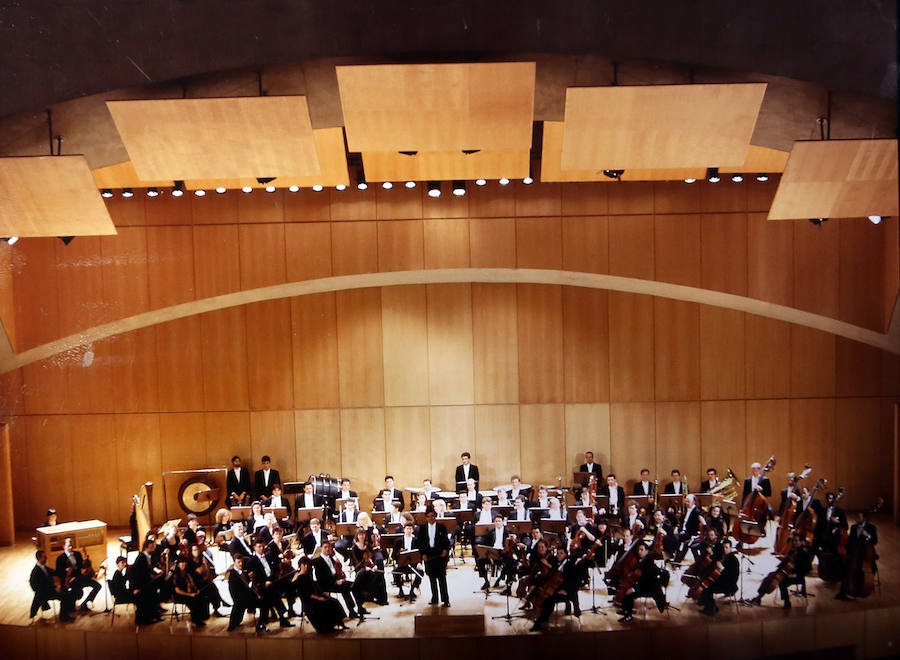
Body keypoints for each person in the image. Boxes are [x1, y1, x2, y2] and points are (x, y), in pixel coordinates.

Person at [529, 546, 583, 631]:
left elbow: (576, 581)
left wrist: (565, 590)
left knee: (548, 600)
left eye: (561, 553)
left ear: (565, 554)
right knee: (545, 596)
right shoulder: (558, 564)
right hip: (557, 588)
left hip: (568, 592)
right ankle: (544, 617)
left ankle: (539, 623)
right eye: (557, 553)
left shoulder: (570, 565)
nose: (559, 555)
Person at [616, 542, 668, 623]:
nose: (639, 552)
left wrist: (633, 588)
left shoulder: (649, 563)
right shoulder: (642, 560)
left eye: (642, 550)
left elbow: (646, 580)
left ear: (647, 551)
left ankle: (628, 616)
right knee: (625, 588)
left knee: (628, 593)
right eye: (638, 550)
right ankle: (626, 610)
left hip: (649, 588)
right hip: (642, 586)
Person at [247, 539, 293, 627]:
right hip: (261, 585)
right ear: (254, 548)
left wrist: (275, 578)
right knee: (272, 596)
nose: (261, 548)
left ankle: (267, 621)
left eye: (263, 546)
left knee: (286, 586)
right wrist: (264, 582)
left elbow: (275, 570)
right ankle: (280, 619)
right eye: (259, 547)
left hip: (273, 582)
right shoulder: (252, 561)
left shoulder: (268, 556)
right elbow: (253, 578)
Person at [295, 557, 348, 633]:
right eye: (304, 565)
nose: (306, 566)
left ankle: (339, 623)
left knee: (334, 601)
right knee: (327, 603)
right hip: (309, 601)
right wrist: (319, 598)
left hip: (315, 596)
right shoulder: (299, 578)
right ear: (300, 565)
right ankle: (326, 626)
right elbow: (305, 593)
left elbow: (314, 586)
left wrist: (322, 593)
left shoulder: (308, 575)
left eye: (308, 565)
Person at [313, 541, 359, 618]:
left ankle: (357, 607)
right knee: (345, 588)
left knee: (354, 584)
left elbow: (336, 570)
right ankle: (352, 611)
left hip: (335, 581)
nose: (327, 549)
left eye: (329, 547)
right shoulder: (318, 561)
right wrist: (336, 582)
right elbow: (321, 579)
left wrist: (340, 578)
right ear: (321, 548)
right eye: (325, 547)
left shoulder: (330, 557)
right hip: (327, 585)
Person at [54, 537, 101, 611]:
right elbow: (59, 573)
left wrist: (86, 563)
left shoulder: (77, 554)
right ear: (64, 546)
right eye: (69, 545)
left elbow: (81, 566)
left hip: (79, 578)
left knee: (97, 586)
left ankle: (84, 604)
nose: (71, 547)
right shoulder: (60, 558)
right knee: (76, 591)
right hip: (69, 581)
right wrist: (67, 573)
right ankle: (70, 608)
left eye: (72, 545)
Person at [417, 506, 451, 607]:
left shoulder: (442, 527)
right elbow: (420, 543)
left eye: (432, 516)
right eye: (428, 516)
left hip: (440, 555)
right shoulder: (422, 529)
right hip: (428, 555)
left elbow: (446, 541)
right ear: (426, 517)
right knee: (432, 578)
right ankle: (434, 598)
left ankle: (445, 599)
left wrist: (445, 551)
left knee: (441, 578)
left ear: (435, 516)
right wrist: (423, 555)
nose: (430, 518)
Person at [29, 550, 75, 621]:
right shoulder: (36, 571)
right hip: (44, 594)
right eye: (44, 557)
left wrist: (66, 572)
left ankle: (68, 612)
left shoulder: (43, 567)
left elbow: (55, 572)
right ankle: (63, 617)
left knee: (67, 594)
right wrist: (55, 588)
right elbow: (39, 586)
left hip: (48, 590)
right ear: (39, 558)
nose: (46, 558)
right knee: (64, 596)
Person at [697, 539, 739, 615]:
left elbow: (732, 577)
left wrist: (722, 568)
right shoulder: (723, 557)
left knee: (707, 588)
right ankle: (706, 603)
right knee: (705, 584)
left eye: (726, 547)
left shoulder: (734, 560)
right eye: (723, 547)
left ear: (731, 548)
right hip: (722, 581)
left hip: (729, 584)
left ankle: (711, 609)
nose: (724, 549)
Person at [476, 515, 516, 593]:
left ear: (503, 522)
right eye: (496, 521)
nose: (497, 523)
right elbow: (486, 544)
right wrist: (489, 555)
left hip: (504, 552)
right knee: (480, 560)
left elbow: (513, 543)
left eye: (499, 521)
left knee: (511, 563)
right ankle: (486, 581)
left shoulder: (508, 531)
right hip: (493, 552)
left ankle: (508, 587)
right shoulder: (491, 531)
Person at [349, 528, 388, 607]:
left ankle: (382, 599)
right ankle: (371, 595)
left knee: (380, 575)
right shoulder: (354, 548)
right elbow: (356, 564)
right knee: (375, 576)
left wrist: (375, 565)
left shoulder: (368, 545)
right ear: (357, 536)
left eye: (363, 534)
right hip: (361, 570)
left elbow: (373, 557)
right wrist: (365, 567)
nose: (362, 536)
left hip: (370, 568)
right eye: (360, 535)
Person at [227, 553, 266, 632]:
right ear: (234, 562)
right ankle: (260, 624)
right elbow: (237, 590)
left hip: (245, 597)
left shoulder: (243, 571)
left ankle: (261, 623)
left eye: (242, 562)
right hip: (240, 599)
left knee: (264, 600)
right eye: (239, 562)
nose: (241, 564)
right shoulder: (233, 575)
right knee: (263, 603)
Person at [132, 537, 163, 625]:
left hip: (146, 583)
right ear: (146, 547)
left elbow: (149, 569)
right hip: (140, 585)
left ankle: (155, 614)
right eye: (152, 547)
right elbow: (136, 574)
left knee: (154, 594)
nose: (154, 548)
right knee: (149, 596)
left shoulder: (148, 556)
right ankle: (145, 619)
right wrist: (136, 588)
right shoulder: (141, 558)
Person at [172, 556, 210, 626]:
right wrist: (189, 594)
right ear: (178, 564)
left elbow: (192, 583)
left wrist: (196, 590)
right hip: (181, 595)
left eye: (184, 563)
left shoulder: (187, 573)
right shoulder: (175, 575)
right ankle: (197, 620)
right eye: (181, 563)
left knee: (203, 597)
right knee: (194, 601)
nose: (183, 565)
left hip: (190, 593)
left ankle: (203, 617)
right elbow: (177, 590)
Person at [392, 522, 422, 599]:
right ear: (404, 530)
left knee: (420, 573)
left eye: (410, 529)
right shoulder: (398, 541)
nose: (408, 530)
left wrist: (419, 563)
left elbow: (419, 554)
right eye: (407, 528)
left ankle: (412, 589)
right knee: (395, 572)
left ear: (413, 530)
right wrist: (399, 555)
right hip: (402, 564)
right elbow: (393, 555)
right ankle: (400, 590)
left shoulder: (416, 540)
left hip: (413, 564)